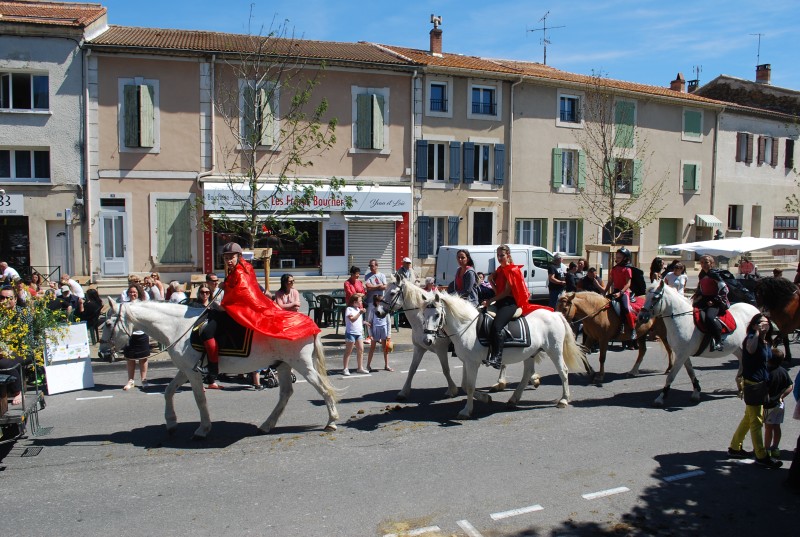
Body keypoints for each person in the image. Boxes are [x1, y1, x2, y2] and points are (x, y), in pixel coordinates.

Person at [197, 242, 320, 389]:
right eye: (226, 257)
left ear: (239, 256)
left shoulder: (240, 272)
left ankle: (212, 369)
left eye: (231, 256)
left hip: (237, 310)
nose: (228, 260)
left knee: (207, 332)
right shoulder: (241, 268)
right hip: (233, 307)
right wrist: (226, 286)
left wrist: (225, 298)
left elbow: (241, 293)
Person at [728, 313, 782, 468]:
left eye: (767, 323)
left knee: (748, 417)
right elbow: (751, 350)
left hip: (761, 383)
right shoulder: (752, 338)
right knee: (756, 420)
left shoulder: (766, 340)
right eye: (761, 323)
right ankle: (761, 455)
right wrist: (756, 331)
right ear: (754, 325)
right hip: (753, 384)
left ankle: (734, 447)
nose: (766, 325)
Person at [482, 245, 537, 369]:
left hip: (510, 303)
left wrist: (490, 301)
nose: (500, 257)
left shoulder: (512, 270)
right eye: (498, 255)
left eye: (502, 255)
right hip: (500, 301)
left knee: (497, 327)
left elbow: (506, 293)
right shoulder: (500, 270)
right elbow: (498, 292)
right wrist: (491, 281)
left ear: (508, 256)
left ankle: (498, 358)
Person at [0, 285, 33, 405]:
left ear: (15, 299)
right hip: (3, 351)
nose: (4, 301)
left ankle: (18, 391)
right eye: (1, 298)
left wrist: (6, 349)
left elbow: (23, 339)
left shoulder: (23, 314)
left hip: (22, 350)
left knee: (4, 362)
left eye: (8, 298)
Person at [692, 255, 729, 352]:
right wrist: (697, 295)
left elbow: (724, 289)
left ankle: (718, 341)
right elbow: (701, 288)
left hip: (716, 301)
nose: (704, 264)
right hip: (704, 299)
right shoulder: (701, 274)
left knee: (709, 317)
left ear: (711, 263)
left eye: (707, 262)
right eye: (702, 262)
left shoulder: (715, 274)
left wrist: (714, 301)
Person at [118, 283, 149, 390]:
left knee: (143, 359)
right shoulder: (124, 305)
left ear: (138, 293)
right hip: (130, 335)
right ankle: (130, 380)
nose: (132, 294)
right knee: (130, 359)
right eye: (130, 292)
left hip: (141, 334)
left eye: (134, 292)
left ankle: (144, 379)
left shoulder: (142, 304)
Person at [763, 349, 793, 459]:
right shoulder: (783, 371)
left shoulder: (767, 372)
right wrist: (782, 396)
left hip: (769, 404)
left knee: (768, 428)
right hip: (780, 404)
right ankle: (775, 447)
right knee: (777, 426)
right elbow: (790, 386)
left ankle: (766, 449)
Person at [604, 248, 636, 338]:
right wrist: (604, 291)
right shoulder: (614, 269)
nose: (617, 258)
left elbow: (628, 284)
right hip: (615, 291)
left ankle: (632, 329)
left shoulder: (627, 269)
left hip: (624, 292)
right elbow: (610, 281)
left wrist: (620, 293)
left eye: (619, 257)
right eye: (616, 257)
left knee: (625, 308)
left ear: (625, 258)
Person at [342, 293, 368, 375]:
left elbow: (358, 321)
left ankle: (360, 367)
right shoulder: (349, 309)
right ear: (354, 302)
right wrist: (360, 313)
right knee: (348, 351)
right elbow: (352, 319)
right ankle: (345, 368)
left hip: (359, 333)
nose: (361, 302)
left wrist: (365, 322)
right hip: (351, 333)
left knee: (361, 350)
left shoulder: (358, 309)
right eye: (360, 301)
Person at [365, 294, 392, 372]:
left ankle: (386, 365)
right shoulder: (373, 311)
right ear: (376, 302)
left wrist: (389, 334)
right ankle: (368, 365)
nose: (381, 302)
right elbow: (369, 323)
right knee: (372, 348)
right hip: (375, 330)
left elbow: (388, 323)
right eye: (380, 301)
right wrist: (370, 335)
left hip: (384, 330)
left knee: (385, 348)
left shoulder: (385, 310)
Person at [363, 259, 387, 344]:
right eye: (369, 266)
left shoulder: (382, 275)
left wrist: (375, 286)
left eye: (372, 265)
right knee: (369, 319)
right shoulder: (367, 275)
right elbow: (368, 287)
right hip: (370, 300)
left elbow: (385, 286)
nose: (370, 267)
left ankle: (379, 336)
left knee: (379, 318)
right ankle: (369, 336)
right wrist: (378, 286)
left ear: (376, 266)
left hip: (380, 301)